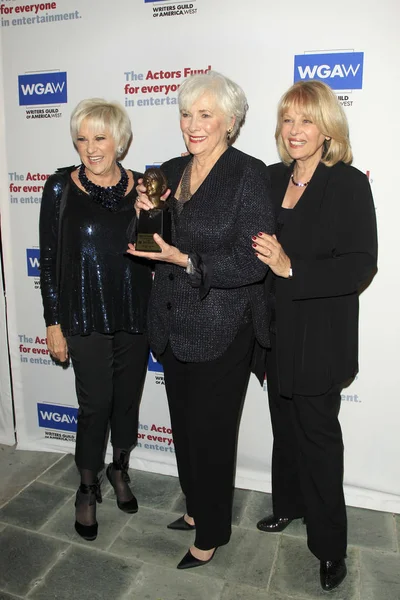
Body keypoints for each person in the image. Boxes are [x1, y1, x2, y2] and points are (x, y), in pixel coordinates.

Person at [127, 71, 275, 569]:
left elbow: (252, 262)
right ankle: (195, 508)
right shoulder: (168, 170)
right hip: (171, 323)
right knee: (185, 428)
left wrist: (186, 261)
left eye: (205, 115)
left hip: (222, 326)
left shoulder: (248, 175)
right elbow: (149, 245)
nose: (193, 124)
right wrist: (145, 215)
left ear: (230, 122)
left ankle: (211, 532)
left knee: (211, 435)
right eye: (187, 114)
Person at [252, 81, 377, 591]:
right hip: (275, 334)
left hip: (319, 339)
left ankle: (330, 547)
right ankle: (290, 504)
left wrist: (291, 268)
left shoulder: (347, 183)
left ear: (328, 128)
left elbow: (359, 266)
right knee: (285, 428)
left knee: (320, 441)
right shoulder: (270, 177)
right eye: (287, 120)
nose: (295, 131)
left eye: (306, 120)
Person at [39, 98, 152, 541]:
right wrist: (53, 322)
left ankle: (118, 469)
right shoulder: (58, 188)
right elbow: (48, 260)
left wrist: (150, 214)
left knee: (127, 400)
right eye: (82, 139)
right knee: (95, 405)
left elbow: (151, 246)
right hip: (82, 314)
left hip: (132, 311)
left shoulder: (144, 185)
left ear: (119, 141)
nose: (91, 148)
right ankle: (87, 488)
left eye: (100, 138)